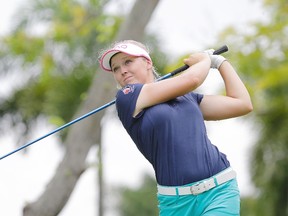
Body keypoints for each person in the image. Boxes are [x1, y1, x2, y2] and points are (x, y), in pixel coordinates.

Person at [99, 40, 253, 216]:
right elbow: (193, 79)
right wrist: (205, 60)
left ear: (147, 62)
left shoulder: (187, 98)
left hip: (219, 190)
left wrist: (220, 63)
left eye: (128, 62)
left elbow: (242, 104)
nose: (122, 70)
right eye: (116, 68)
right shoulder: (127, 98)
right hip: (175, 203)